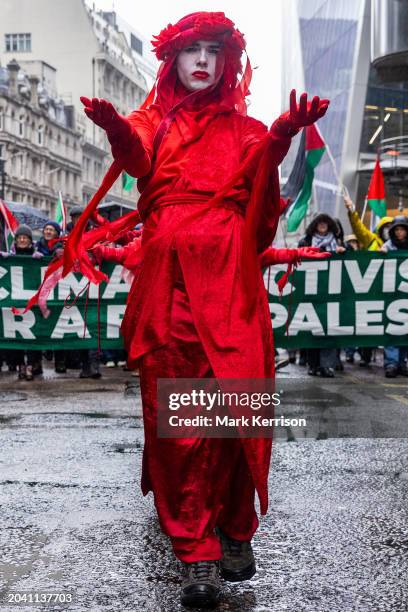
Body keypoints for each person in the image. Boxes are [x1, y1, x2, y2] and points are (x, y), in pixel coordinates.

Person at [31, 12, 329, 608]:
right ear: (173, 60)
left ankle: (235, 528)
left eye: (212, 51)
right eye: (190, 49)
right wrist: (116, 128)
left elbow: (261, 191)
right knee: (180, 427)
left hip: (231, 290)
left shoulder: (245, 129)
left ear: (226, 61)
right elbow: (139, 161)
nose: (201, 60)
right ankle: (196, 552)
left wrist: (281, 137)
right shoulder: (152, 122)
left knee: (236, 413)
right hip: (169, 291)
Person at [298, 213, 344, 377]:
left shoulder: (337, 243)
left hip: (331, 293)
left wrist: (343, 252)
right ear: (315, 225)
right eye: (320, 222)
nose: (323, 225)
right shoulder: (305, 242)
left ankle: (326, 366)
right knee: (313, 331)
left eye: (326, 222)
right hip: (312, 293)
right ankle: (313, 365)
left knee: (329, 330)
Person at [1, 225, 43, 380]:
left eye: (25, 238)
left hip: (32, 303)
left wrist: (41, 260)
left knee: (32, 336)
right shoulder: (10, 257)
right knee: (16, 337)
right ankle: (21, 366)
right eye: (20, 238)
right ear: (16, 240)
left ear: (30, 241)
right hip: (15, 303)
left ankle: (32, 365)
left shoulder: (37, 256)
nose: (22, 240)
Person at [380, 216, 408, 377]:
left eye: (402, 229)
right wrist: (382, 254)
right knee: (392, 329)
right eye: (397, 229)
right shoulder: (388, 246)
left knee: (405, 330)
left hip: (406, 294)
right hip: (391, 294)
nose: (399, 232)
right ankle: (391, 363)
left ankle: (402, 362)